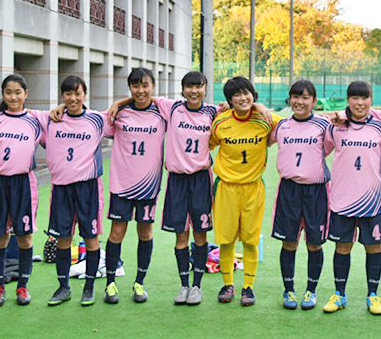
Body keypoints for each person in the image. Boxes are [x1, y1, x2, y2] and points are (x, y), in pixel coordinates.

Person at [32, 76, 109, 307]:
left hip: (88, 187)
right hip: (61, 189)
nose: (73, 98)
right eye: (68, 94)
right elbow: (19, 112)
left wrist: (118, 103)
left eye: (77, 93)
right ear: (62, 96)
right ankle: (63, 287)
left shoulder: (97, 119)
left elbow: (123, 112)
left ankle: (89, 287)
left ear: (85, 94)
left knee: (91, 238)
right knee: (63, 239)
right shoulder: (49, 120)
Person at [209, 76, 282, 306]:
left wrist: (262, 107)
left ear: (253, 94)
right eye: (237, 95)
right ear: (229, 100)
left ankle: (248, 287)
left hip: (253, 188)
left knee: (250, 241)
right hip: (226, 189)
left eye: (247, 92)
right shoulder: (221, 122)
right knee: (226, 240)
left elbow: (296, 124)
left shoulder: (266, 119)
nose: (243, 98)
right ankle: (228, 284)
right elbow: (209, 143)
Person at [322, 81, 381, 316]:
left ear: (371, 99)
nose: (360, 103)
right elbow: (322, 150)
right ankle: (340, 294)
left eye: (365, 98)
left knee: (373, 247)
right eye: (355, 98)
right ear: (348, 99)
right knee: (343, 247)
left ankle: (373, 295)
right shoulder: (335, 127)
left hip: (373, 198)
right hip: (342, 197)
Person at [155, 71, 220, 306]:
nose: (194, 91)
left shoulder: (214, 111)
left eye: (199, 86)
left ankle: (197, 286)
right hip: (177, 180)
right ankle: (183, 285)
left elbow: (242, 107)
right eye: (189, 87)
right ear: (182, 89)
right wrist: (119, 104)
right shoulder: (171, 107)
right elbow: (144, 98)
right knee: (181, 234)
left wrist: (260, 107)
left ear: (205, 88)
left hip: (201, 180)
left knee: (200, 234)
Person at [102, 68, 166, 304]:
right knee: (117, 232)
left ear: (153, 86)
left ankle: (139, 283)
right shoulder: (119, 113)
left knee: (145, 232)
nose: (141, 91)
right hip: (122, 184)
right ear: (130, 88)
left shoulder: (162, 112)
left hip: (148, 186)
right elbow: (84, 118)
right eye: (136, 86)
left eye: (145, 85)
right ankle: (110, 284)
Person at [0, 74, 42, 307]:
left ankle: (23, 287)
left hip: (24, 183)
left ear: (26, 93)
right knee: (0, 236)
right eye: (8, 92)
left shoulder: (36, 121)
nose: (13, 96)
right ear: (3, 94)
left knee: (24, 237)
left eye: (18, 92)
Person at [269, 80, 331, 310]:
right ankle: (289, 291)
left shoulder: (324, 125)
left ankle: (311, 291)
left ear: (314, 101)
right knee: (289, 242)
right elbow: (264, 136)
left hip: (316, 190)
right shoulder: (282, 125)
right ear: (290, 99)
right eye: (296, 96)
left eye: (305, 97)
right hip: (289, 190)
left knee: (315, 244)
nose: (300, 101)